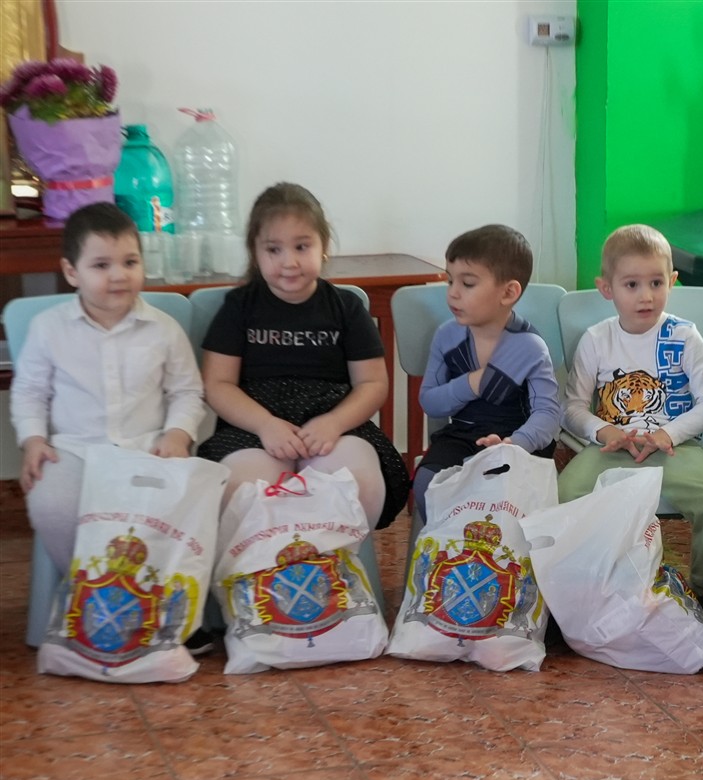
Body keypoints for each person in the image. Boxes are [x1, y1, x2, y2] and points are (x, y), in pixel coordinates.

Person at [198, 182, 409, 531]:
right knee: (243, 491)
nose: (289, 262)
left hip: (334, 422)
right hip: (253, 425)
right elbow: (218, 384)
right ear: (255, 252)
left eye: (301, 246)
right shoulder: (239, 307)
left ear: (323, 246)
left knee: (357, 483)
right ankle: (262, 566)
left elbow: (372, 384)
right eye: (274, 249)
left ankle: (334, 564)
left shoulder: (346, 307)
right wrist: (265, 425)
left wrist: (334, 423)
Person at [11, 202, 204, 574]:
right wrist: (33, 439)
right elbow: (30, 392)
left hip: (148, 449)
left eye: (130, 262)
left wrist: (177, 435)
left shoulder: (164, 329)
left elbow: (186, 391)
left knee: (181, 505)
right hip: (75, 451)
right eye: (101, 265)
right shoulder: (48, 328)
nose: (118, 275)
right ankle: (84, 584)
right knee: (51, 504)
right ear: (72, 272)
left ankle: (152, 588)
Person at [558, 224, 703, 602]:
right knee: (566, 493)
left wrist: (666, 434)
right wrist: (604, 431)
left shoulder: (685, 336)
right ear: (607, 288)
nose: (646, 296)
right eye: (632, 285)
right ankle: (577, 590)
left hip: (675, 448)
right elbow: (572, 407)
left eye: (656, 283)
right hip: (610, 448)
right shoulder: (596, 339)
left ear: (672, 281)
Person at [413, 224, 561, 519]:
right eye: (450, 280)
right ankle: (449, 547)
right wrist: (472, 383)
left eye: (467, 284)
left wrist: (514, 444)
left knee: (504, 494)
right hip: (462, 435)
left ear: (508, 292)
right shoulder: (446, 336)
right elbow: (430, 402)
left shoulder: (529, 346)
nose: (453, 293)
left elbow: (548, 414)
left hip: (517, 441)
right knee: (428, 485)